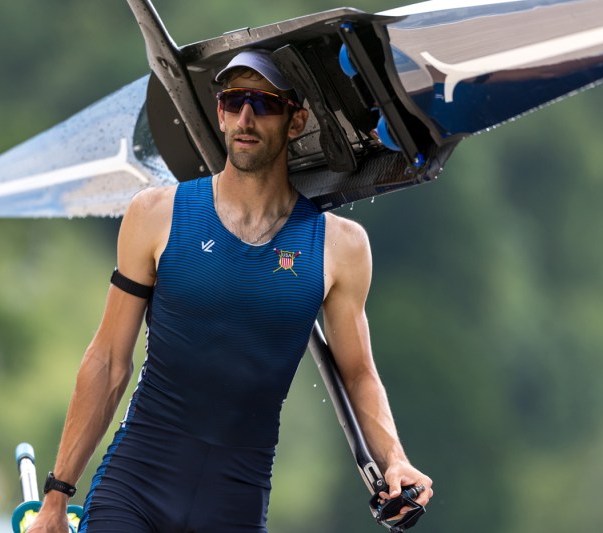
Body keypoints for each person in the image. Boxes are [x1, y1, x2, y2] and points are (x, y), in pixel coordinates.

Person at [28, 49, 432, 533]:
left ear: (296, 120)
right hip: (136, 486)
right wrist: (56, 497)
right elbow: (109, 361)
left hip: (234, 505)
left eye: (263, 104)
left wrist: (395, 460)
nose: (245, 117)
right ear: (219, 113)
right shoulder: (155, 214)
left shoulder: (340, 248)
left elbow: (359, 374)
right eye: (233, 101)